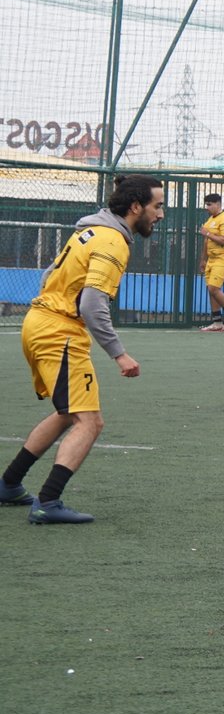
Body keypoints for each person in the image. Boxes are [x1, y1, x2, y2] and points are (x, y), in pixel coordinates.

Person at [1, 174, 164, 524]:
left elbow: (48, 276)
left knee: (68, 413)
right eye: (158, 206)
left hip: (39, 322)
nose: (161, 214)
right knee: (90, 422)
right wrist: (119, 353)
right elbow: (92, 304)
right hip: (58, 332)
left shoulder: (89, 230)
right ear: (136, 207)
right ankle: (48, 502)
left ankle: (9, 484)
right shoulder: (113, 241)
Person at [198, 192, 224, 332]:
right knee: (211, 290)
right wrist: (203, 259)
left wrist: (208, 233)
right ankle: (217, 322)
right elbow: (206, 241)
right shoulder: (210, 220)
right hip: (212, 259)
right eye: (206, 205)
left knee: (213, 288)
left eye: (209, 205)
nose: (207, 207)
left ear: (218, 204)